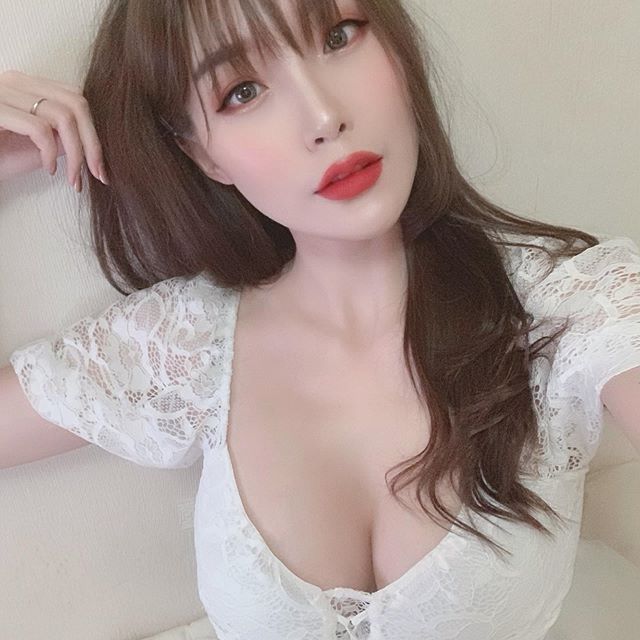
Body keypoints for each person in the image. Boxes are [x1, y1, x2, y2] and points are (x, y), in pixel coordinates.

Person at [1, 0, 639, 638]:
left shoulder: (571, 303)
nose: (324, 117)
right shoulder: (183, 342)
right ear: (202, 156)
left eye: (339, 36)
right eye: (242, 92)